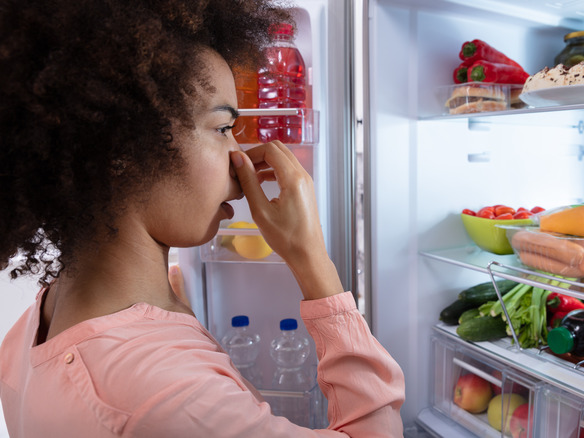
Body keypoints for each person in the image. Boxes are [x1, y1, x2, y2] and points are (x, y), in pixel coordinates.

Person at [0, 0, 405, 436]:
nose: (239, 157)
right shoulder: (167, 399)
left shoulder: (34, 325)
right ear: (121, 153)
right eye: (222, 128)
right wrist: (313, 262)